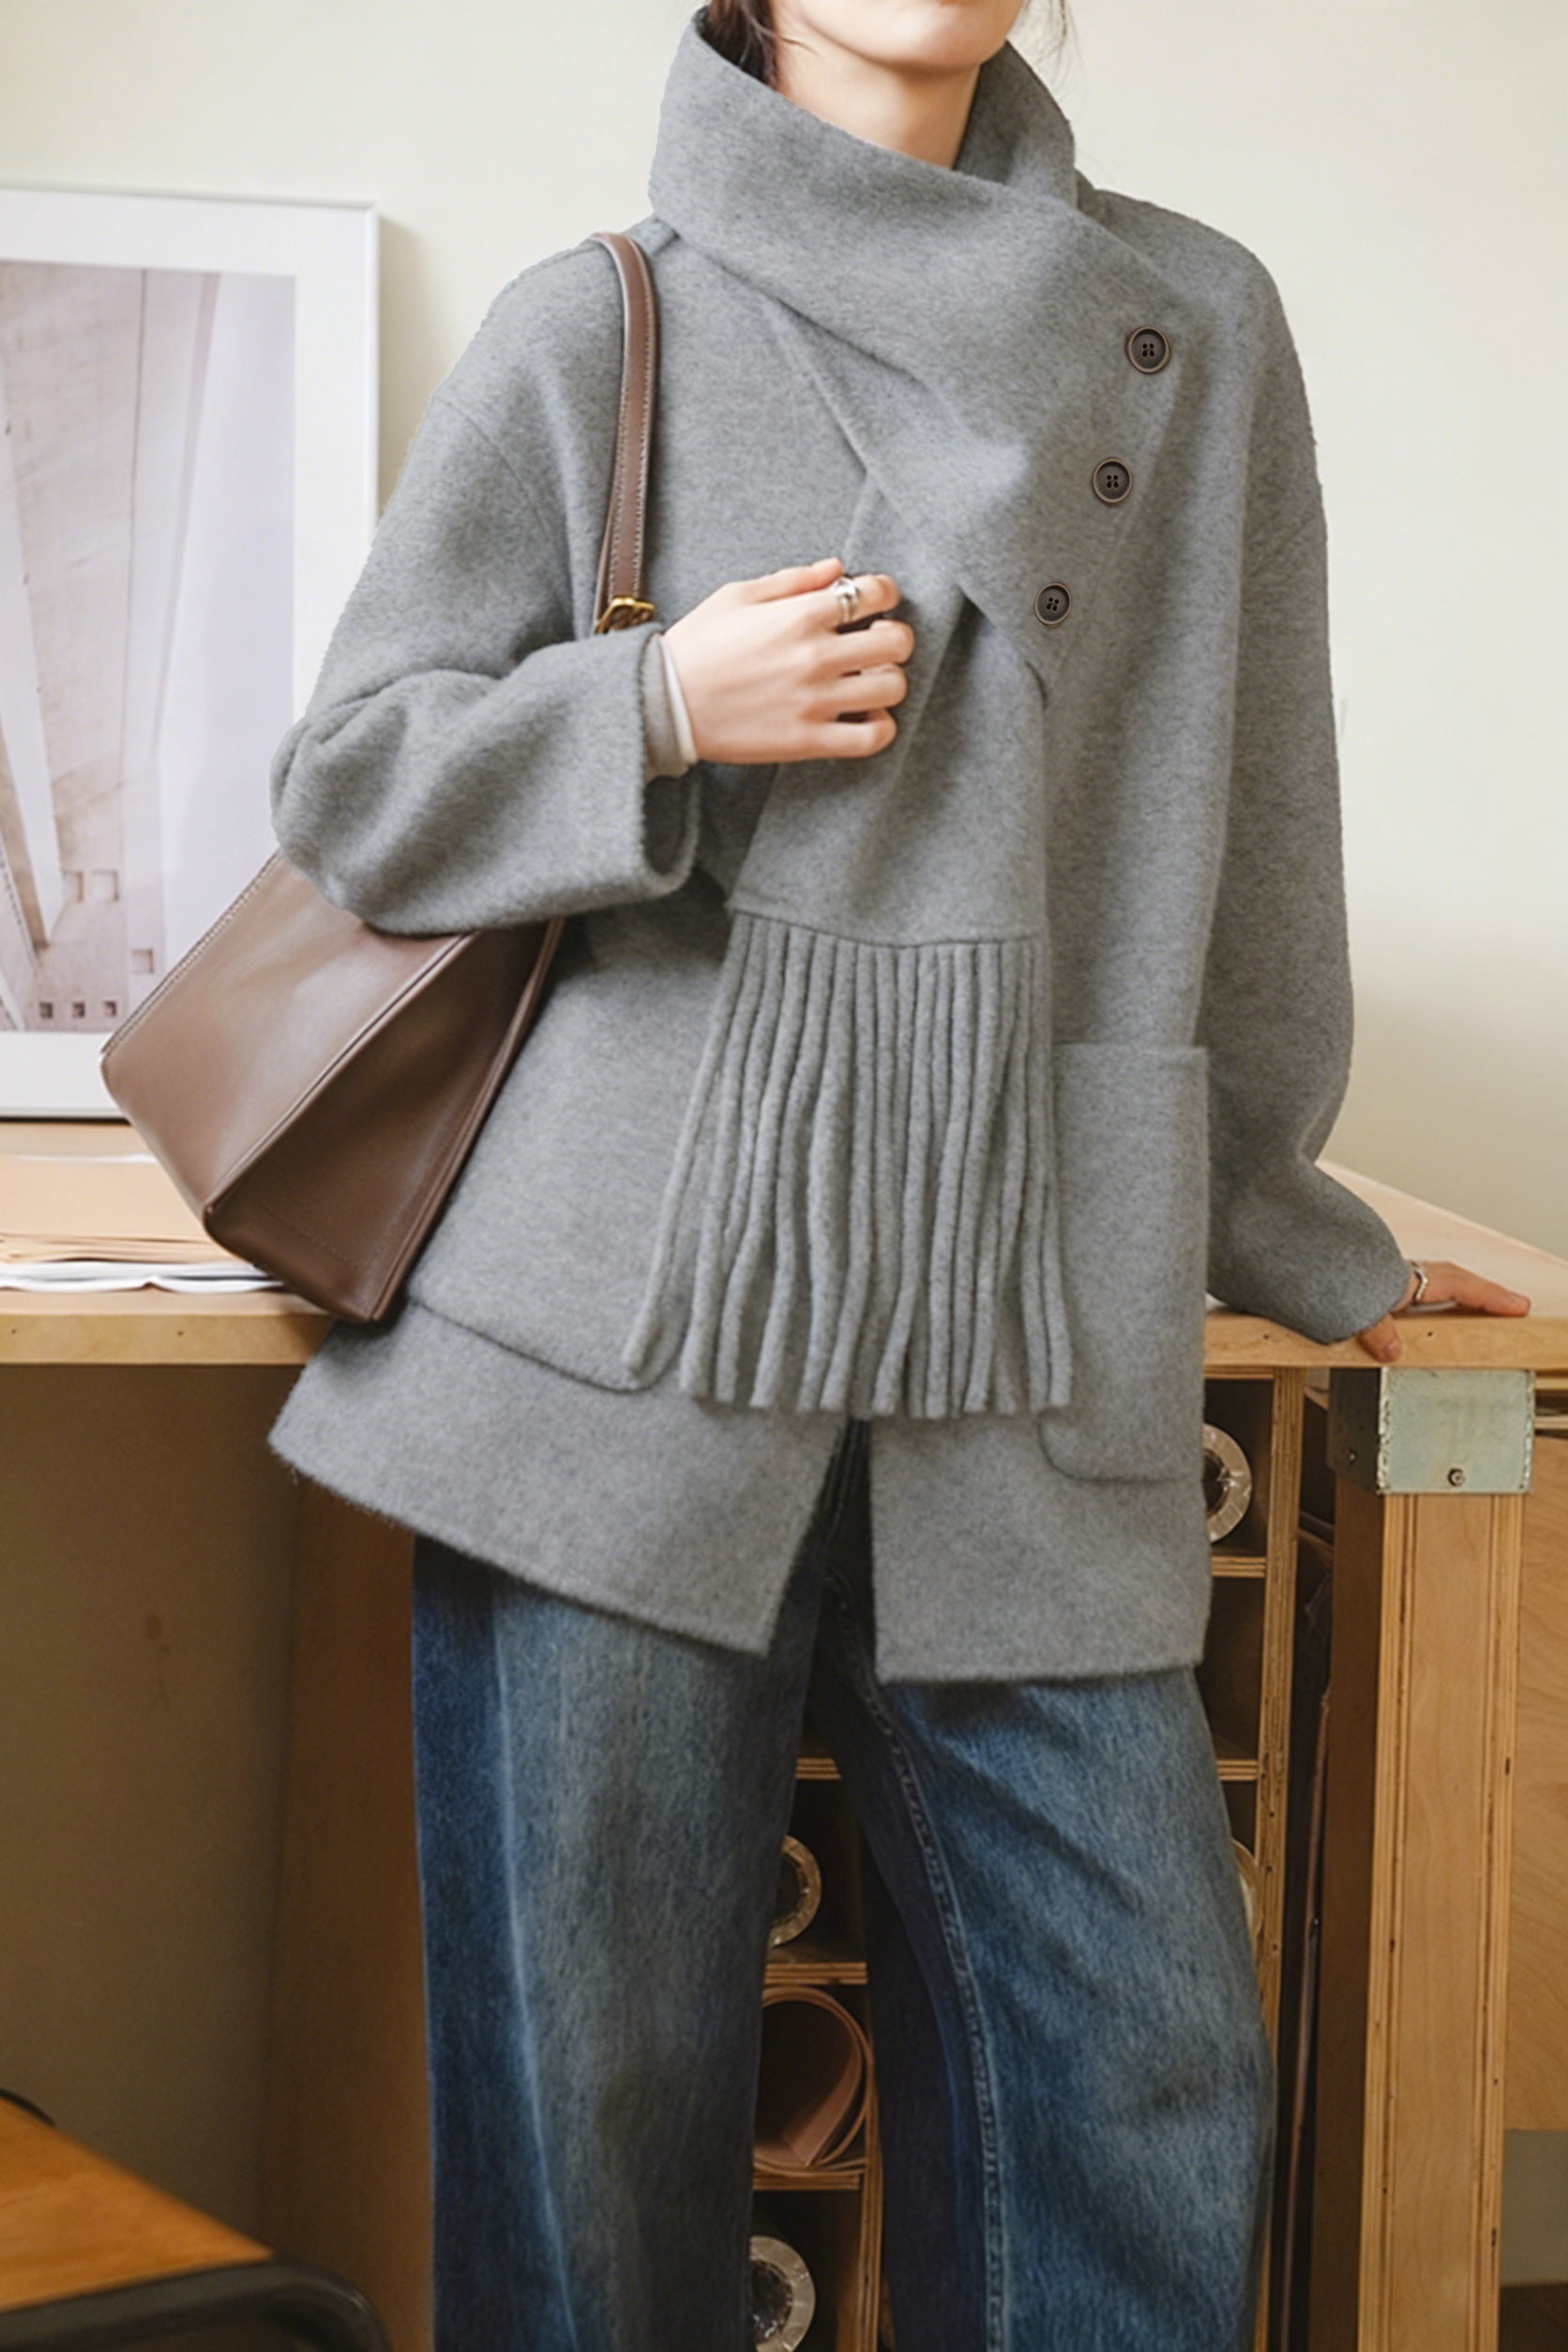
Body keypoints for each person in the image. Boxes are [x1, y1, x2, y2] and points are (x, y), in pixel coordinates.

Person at [264, 2, 1530, 2344]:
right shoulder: (601, 319)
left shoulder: (1191, 321)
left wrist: (1290, 1226)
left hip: (1022, 1318)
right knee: (593, 2135)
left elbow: (1255, 822)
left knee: (1142, 2085)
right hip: (622, 1338)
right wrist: (660, 708)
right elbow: (353, 785)